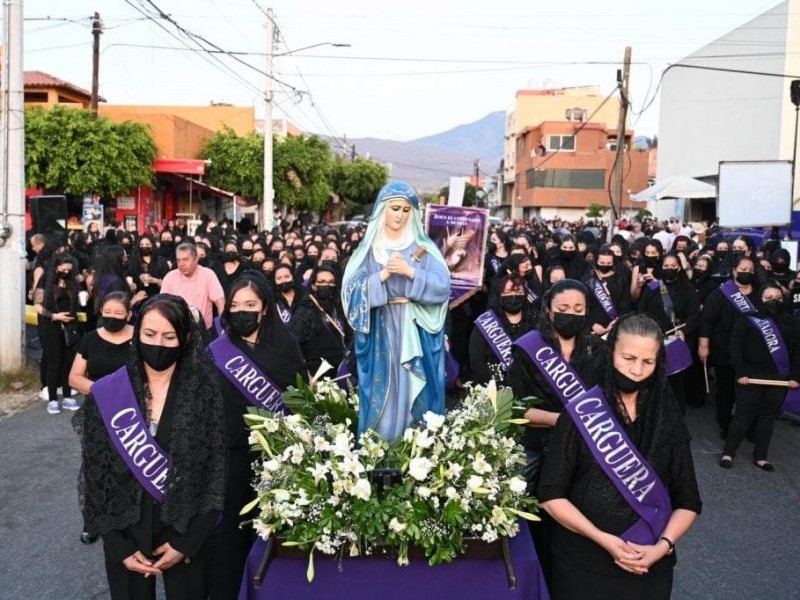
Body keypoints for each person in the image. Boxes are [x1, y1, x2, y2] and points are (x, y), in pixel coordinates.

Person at [538, 313, 702, 600]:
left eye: (648, 361)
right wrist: (604, 540)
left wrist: (662, 547)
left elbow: (688, 500)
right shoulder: (582, 412)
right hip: (582, 564)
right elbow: (551, 495)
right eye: (628, 358)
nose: (637, 370)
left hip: (649, 565)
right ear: (610, 352)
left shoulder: (668, 416)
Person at [73, 294, 226, 600]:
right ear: (136, 333)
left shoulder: (205, 391)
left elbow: (215, 473)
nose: (158, 344)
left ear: (184, 339)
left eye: (169, 336)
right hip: (125, 528)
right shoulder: (110, 392)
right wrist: (119, 546)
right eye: (149, 334)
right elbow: (95, 473)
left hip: (186, 528)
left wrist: (188, 542)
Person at [208, 274, 305, 599]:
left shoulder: (285, 345)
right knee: (229, 544)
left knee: (271, 542)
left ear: (265, 308)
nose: (241, 311)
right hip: (229, 461)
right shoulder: (217, 350)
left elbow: (297, 401)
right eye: (234, 305)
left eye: (250, 305)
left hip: (274, 461)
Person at [342, 180, 451, 442]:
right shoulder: (369, 250)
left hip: (415, 330)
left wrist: (410, 272)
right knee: (384, 396)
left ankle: (415, 449)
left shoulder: (424, 248)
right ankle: (380, 448)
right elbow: (350, 292)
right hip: (380, 331)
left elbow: (443, 287)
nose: (400, 215)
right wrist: (383, 274)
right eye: (394, 208)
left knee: (416, 393)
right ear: (383, 210)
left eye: (405, 210)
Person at [69, 292, 135, 545]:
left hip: (132, 414)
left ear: (128, 315)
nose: (113, 317)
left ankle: (128, 517)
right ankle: (93, 521)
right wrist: (104, 391)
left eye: (119, 313)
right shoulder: (90, 339)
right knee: (96, 465)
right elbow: (75, 377)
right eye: (108, 312)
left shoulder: (140, 337)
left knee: (128, 466)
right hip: (99, 412)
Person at [720, 283, 800, 471]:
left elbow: (798, 352)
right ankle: (728, 452)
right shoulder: (747, 319)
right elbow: (735, 347)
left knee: (767, 418)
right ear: (760, 300)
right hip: (750, 376)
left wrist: (795, 376)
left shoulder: (792, 323)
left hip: (779, 377)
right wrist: (740, 372)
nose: (774, 301)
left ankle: (761, 457)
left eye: (778, 298)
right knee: (742, 417)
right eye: (769, 298)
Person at [699, 255, 759, 438]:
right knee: (726, 390)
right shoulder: (721, 294)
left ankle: (747, 426)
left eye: (750, 271)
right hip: (723, 350)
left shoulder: (759, 294)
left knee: (749, 392)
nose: (746, 273)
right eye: (743, 269)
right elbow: (707, 322)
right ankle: (725, 424)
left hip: (750, 353)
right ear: (734, 270)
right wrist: (703, 346)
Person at [34, 252, 82, 414]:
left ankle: (68, 396)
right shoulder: (46, 280)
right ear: (56, 267)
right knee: (55, 361)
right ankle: (53, 398)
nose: (66, 273)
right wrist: (54, 316)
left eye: (69, 270)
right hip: (51, 325)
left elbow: (80, 297)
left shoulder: (72, 282)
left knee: (68, 362)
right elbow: (38, 306)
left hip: (70, 325)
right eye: (63, 269)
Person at [469, 275, 536, 386]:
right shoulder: (487, 323)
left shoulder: (536, 322)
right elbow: (477, 361)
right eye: (507, 293)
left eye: (518, 292)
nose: (513, 296)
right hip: (494, 389)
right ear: (499, 296)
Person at [290, 264, 352, 377]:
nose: (327, 285)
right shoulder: (304, 310)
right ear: (313, 285)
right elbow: (295, 346)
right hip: (317, 373)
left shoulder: (339, 308)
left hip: (342, 371)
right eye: (322, 282)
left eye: (331, 282)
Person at [160, 243, 225, 331]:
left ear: (196, 259)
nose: (181, 264)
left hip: (203, 332)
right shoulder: (170, 277)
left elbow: (220, 302)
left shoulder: (208, 275)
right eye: (178, 260)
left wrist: (223, 327)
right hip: (177, 332)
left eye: (185, 259)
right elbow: (162, 305)